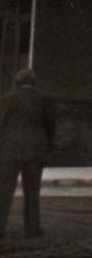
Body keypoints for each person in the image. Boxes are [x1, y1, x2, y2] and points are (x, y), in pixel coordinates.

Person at [0, 68, 54, 239]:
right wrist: (48, 149)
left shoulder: (7, 99)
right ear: (34, 82)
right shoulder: (45, 99)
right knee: (32, 191)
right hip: (35, 152)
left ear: (17, 82)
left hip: (10, 151)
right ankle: (32, 229)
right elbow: (50, 127)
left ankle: (0, 227)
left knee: (4, 191)